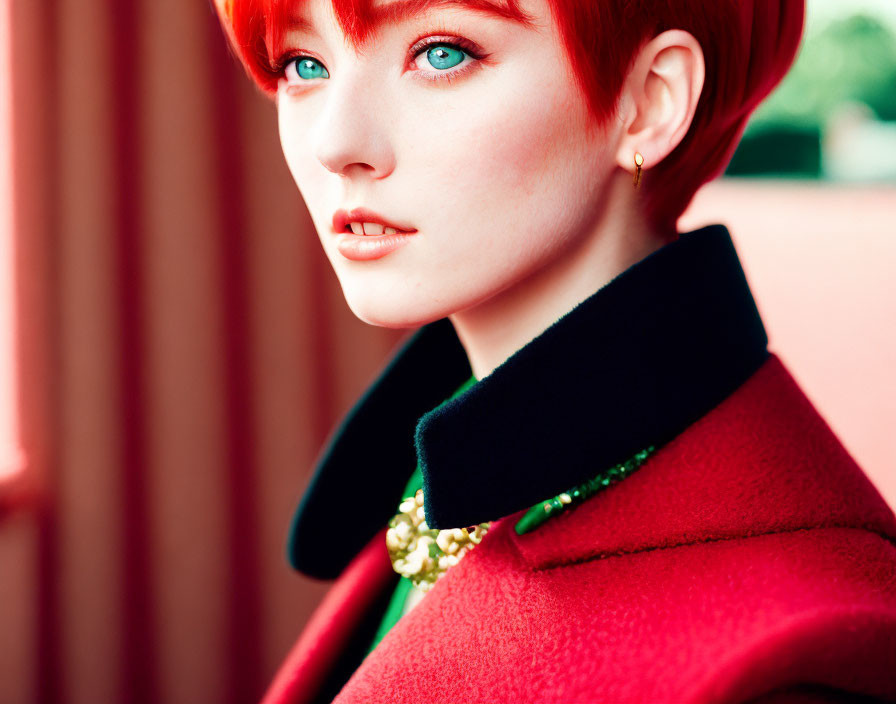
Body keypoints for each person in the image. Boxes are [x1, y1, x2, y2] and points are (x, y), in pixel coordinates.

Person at [213, 0, 896, 701]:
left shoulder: (800, 661)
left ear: (649, 101)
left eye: (442, 53)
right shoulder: (415, 487)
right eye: (302, 65)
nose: (335, 141)